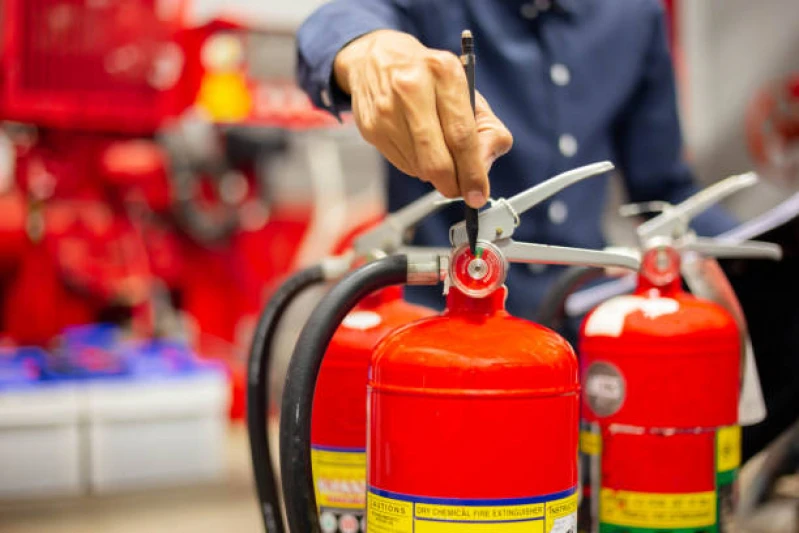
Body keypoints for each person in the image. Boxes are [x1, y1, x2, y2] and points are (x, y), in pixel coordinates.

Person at [295, 0, 737, 319]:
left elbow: (663, 191)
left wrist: (762, 245)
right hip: (438, 323)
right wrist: (370, 53)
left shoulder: (635, 16)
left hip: (586, 321)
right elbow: (334, 24)